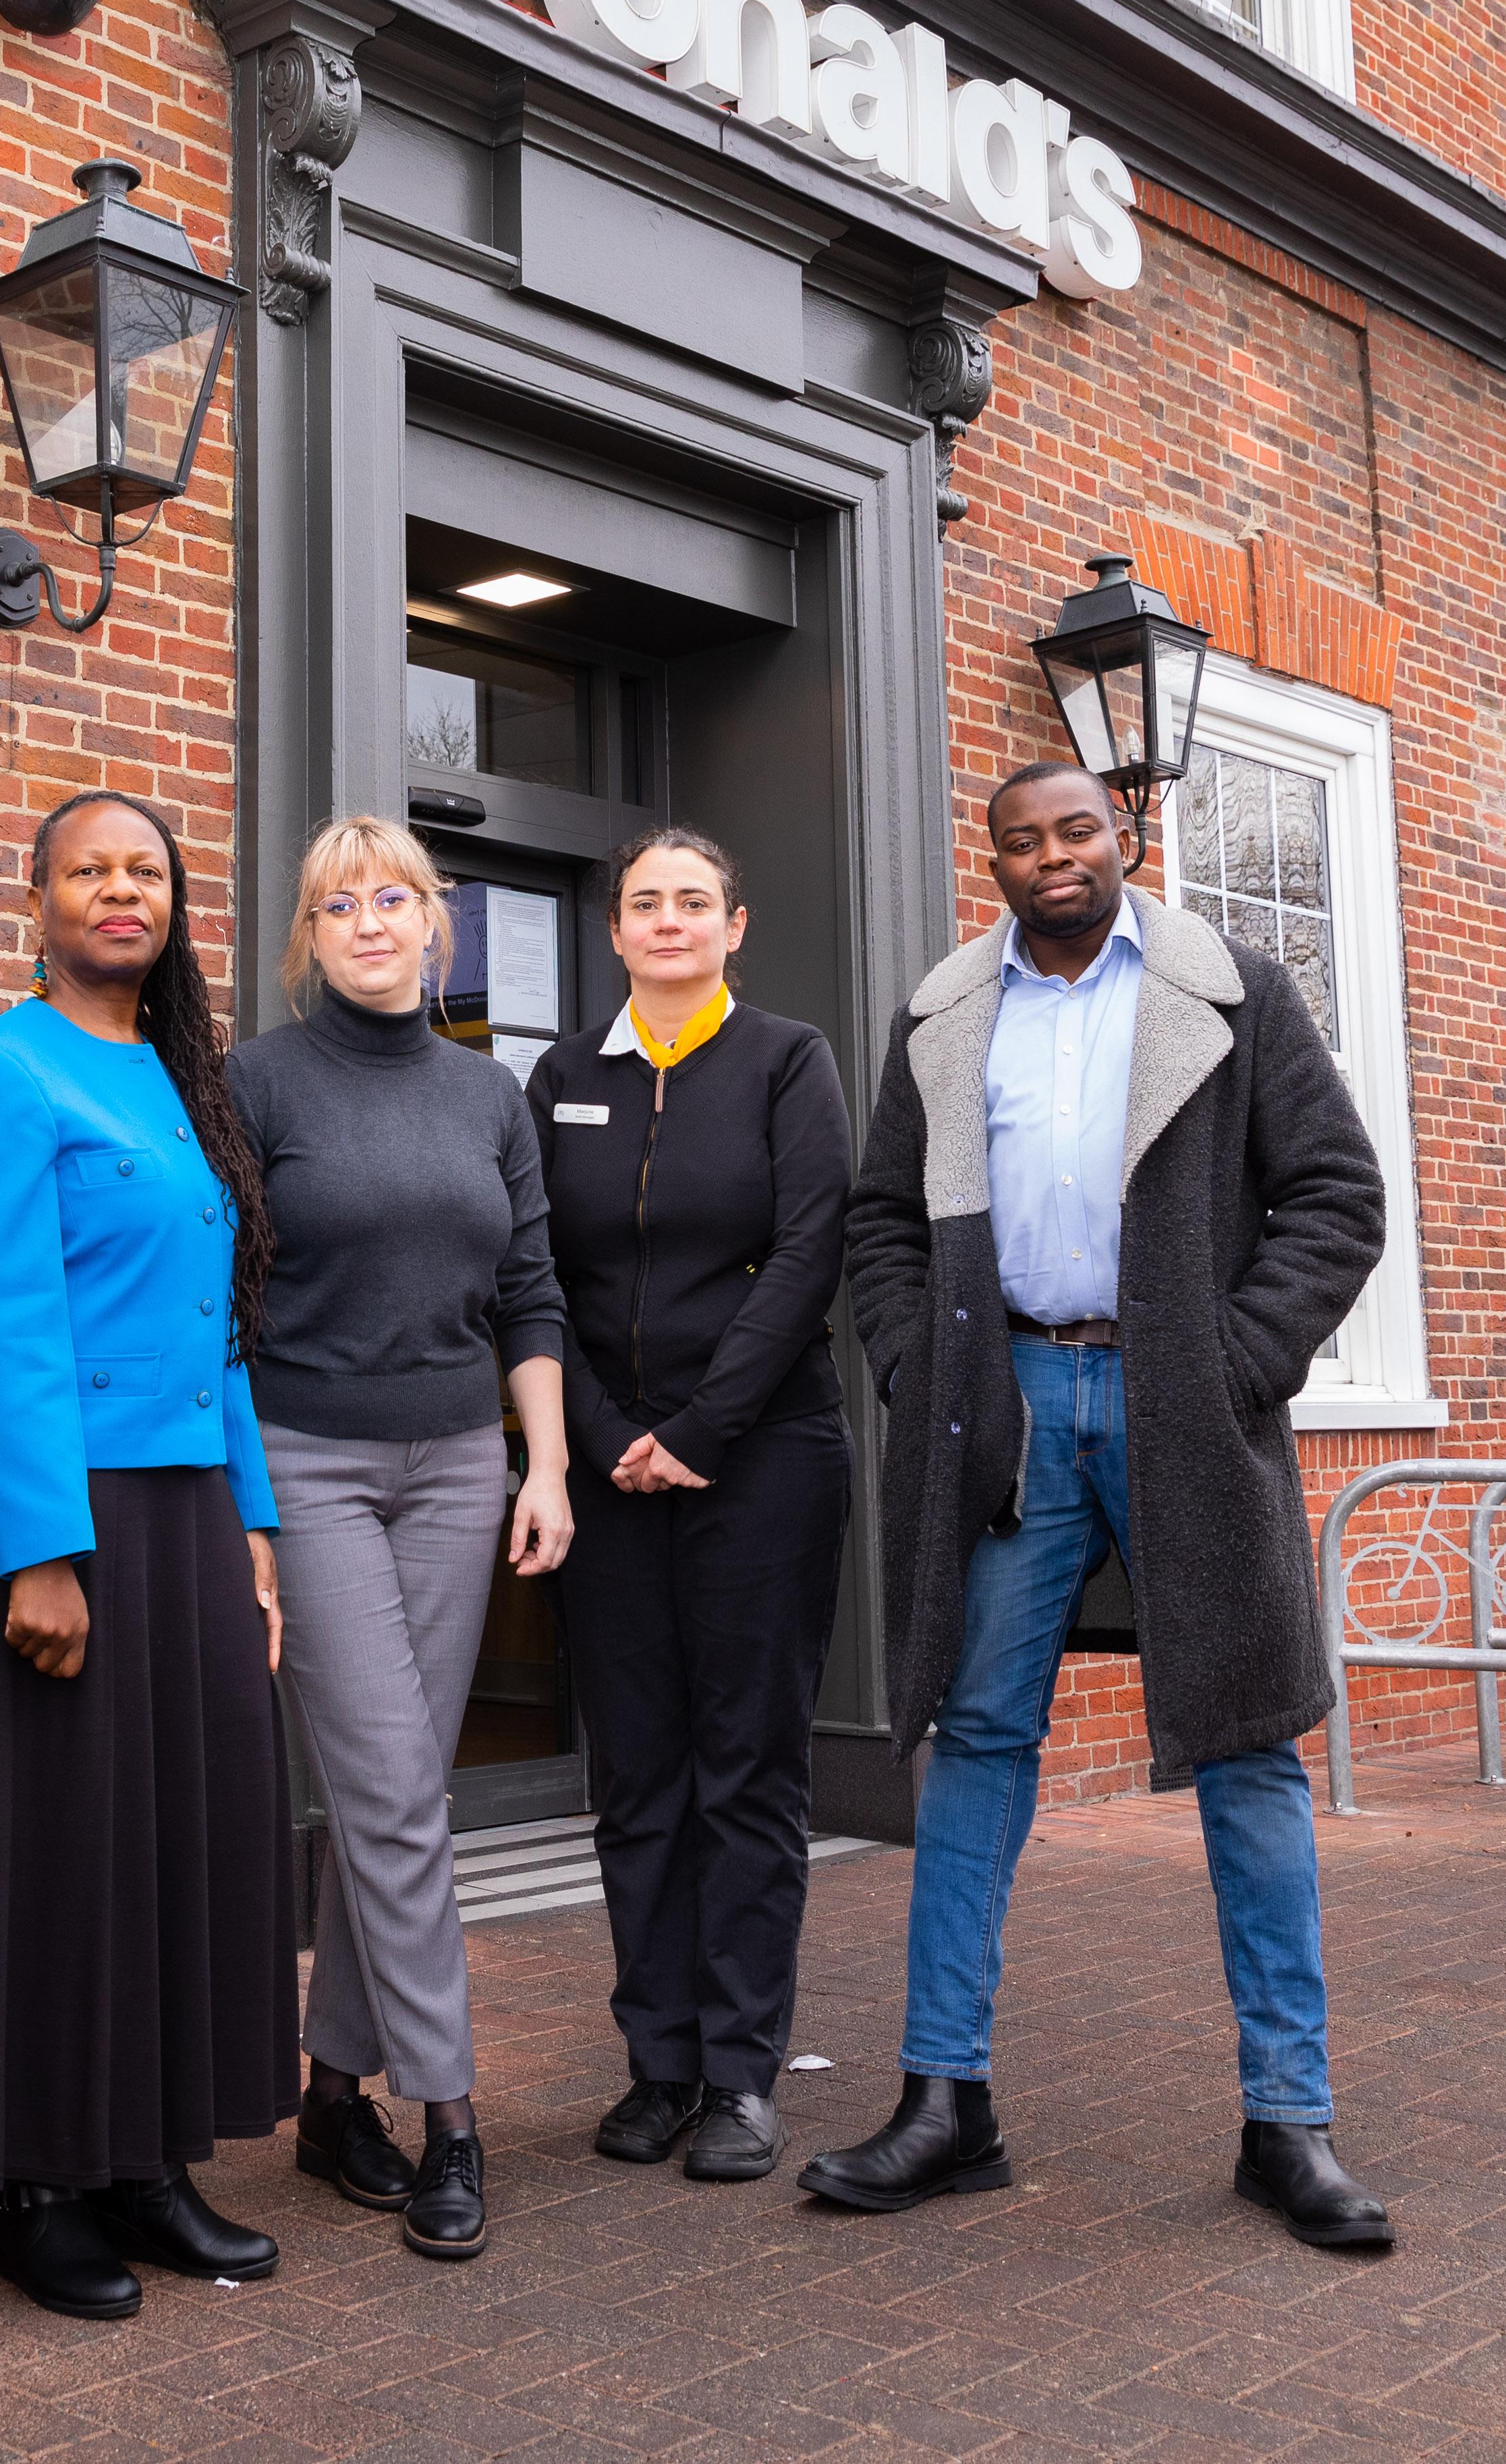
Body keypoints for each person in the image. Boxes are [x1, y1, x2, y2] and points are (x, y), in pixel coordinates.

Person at [807, 759, 1393, 2249]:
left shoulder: (1233, 988)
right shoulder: (946, 1014)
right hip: (1008, 1409)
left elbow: (1337, 1196)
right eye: (1021, 838)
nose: (1052, 854)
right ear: (991, 858)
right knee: (981, 1738)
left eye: (1077, 829)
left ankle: (1290, 2118)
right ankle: (947, 2103)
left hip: (1182, 1412)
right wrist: (907, 1362)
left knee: (1247, 1745)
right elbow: (883, 1220)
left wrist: (1232, 1366)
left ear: (1123, 837)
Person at [0, 790, 299, 2321]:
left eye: (146, 872)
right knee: (57, 1841)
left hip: (189, 1508)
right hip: (56, 1506)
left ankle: (144, 2158)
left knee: (177, 1832)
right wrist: (40, 1552)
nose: (121, 892)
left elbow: (224, 1324)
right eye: (88, 872)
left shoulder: (182, 1082)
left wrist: (254, 1529)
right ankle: (33, 2179)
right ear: (39, 899)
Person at [227, 815, 570, 2264]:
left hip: (459, 1466)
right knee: (391, 1791)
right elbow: (226, 1301)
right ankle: (451, 2111)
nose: (372, 922)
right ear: (309, 934)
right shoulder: (254, 1081)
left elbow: (533, 1289)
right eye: (340, 904)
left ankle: (328, 2092)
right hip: (313, 1458)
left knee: (403, 1787)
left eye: (398, 899)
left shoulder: (489, 1093)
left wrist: (543, 1463)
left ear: (438, 923)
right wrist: (246, 1510)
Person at [524, 828, 854, 2187]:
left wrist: (703, 1429)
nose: (667, 921)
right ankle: (658, 2060)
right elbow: (531, 1261)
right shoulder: (562, 1075)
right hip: (610, 1473)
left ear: (735, 924)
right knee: (639, 1773)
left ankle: (739, 2073)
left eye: (692, 902)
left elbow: (809, 1247)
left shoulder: (786, 1060)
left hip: (762, 1459)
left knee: (746, 1771)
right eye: (644, 903)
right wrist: (607, 1436)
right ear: (613, 932)